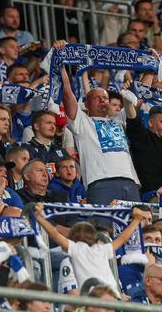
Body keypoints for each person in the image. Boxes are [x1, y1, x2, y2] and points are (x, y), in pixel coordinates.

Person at [59, 47, 141, 204]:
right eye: (98, 98)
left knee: (137, 226)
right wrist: (61, 63)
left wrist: (150, 66)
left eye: (106, 98)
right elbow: (67, 92)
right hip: (100, 183)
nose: (104, 100)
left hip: (130, 182)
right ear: (87, 104)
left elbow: (139, 97)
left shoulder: (119, 119)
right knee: (103, 228)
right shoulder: (82, 121)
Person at [34, 203, 151, 292]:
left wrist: (39, 218)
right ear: (95, 237)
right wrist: (136, 220)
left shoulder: (76, 249)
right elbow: (123, 238)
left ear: (72, 237)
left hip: (95, 302)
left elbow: (54, 234)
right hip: (114, 300)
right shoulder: (103, 249)